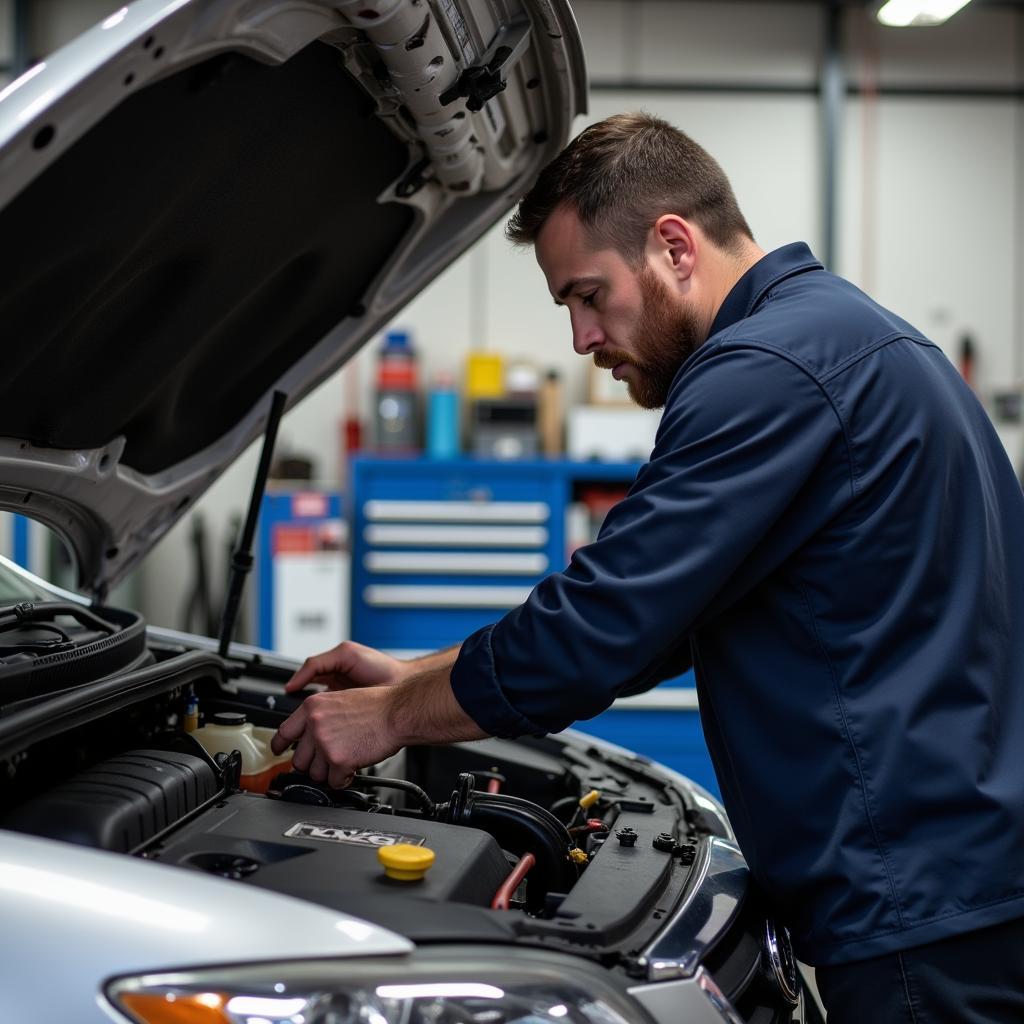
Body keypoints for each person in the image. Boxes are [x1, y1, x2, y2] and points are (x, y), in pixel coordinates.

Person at [272, 113, 1024, 1021]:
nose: (584, 339)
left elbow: (603, 627)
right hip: (956, 880)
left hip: (919, 904)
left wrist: (391, 716)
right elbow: (669, 617)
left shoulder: (764, 370)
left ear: (673, 245)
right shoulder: (852, 337)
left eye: (589, 295)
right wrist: (417, 674)